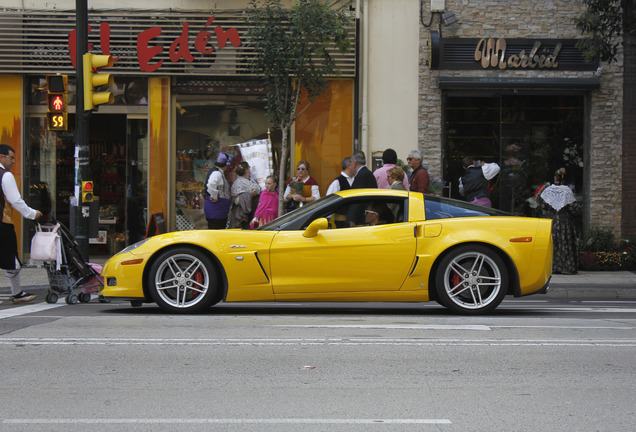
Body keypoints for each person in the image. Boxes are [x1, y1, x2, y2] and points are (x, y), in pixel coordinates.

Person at [1, 144, 42, 304]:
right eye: (11, 157)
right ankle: (17, 293)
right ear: (1, 157)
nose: (13, 161)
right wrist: (32, 214)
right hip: (3, 225)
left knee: (11, 261)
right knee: (13, 261)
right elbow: (15, 200)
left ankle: (17, 293)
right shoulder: (6, 176)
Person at [537, 167, 579, 274]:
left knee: (552, 242)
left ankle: (552, 266)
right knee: (564, 242)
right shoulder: (567, 191)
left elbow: (541, 204)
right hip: (564, 220)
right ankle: (566, 267)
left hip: (551, 220)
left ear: (555, 177)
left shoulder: (547, 190)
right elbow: (574, 208)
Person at [204, 151, 232, 229]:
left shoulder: (217, 172)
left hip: (218, 211)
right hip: (216, 210)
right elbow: (211, 184)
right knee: (216, 230)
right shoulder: (217, 173)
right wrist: (214, 196)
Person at [229, 161, 260, 229]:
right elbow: (236, 199)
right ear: (246, 170)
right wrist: (249, 194)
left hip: (254, 210)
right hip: (244, 213)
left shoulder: (251, 180)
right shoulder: (238, 183)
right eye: (249, 167)